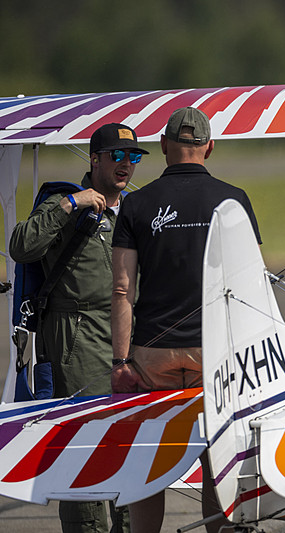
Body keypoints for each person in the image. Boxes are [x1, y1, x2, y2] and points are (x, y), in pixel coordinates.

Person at [110, 107, 260, 532]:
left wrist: (120, 362)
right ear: (209, 148)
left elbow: (121, 290)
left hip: (152, 354)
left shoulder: (136, 203)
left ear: (163, 147)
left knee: (148, 461)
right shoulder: (234, 199)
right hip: (212, 354)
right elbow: (249, 284)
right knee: (218, 459)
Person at [9, 123, 146, 533]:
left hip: (129, 334)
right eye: (117, 156)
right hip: (76, 335)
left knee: (129, 442)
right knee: (84, 442)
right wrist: (71, 204)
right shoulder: (63, 201)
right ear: (95, 159)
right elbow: (21, 246)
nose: (125, 165)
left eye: (133, 157)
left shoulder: (134, 209)